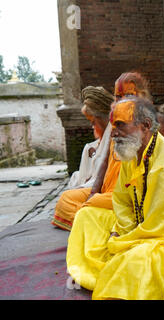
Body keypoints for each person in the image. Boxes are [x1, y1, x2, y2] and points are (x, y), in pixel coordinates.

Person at [66, 97, 164, 300]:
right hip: (142, 228)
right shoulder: (132, 152)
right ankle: (114, 266)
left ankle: (118, 264)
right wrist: (121, 230)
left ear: (145, 126)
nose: (114, 133)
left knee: (142, 256)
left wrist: (119, 241)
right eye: (113, 126)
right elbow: (121, 200)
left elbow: (158, 226)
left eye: (120, 125)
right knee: (86, 216)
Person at [51, 86, 117, 231]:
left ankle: (97, 222)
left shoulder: (117, 131)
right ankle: (92, 218)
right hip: (106, 191)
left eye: (93, 122)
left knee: (69, 201)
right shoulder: (112, 134)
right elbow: (104, 165)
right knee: (67, 199)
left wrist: (92, 192)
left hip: (117, 194)